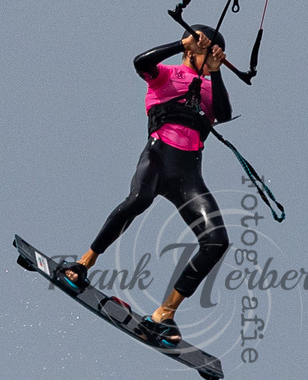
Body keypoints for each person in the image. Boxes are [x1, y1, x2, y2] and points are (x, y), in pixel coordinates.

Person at [59, 27, 232, 345]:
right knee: (140, 199)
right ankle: (83, 263)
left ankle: (164, 314)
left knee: (217, 241)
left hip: (188, 175)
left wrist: (218, 73)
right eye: (209, 50)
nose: (213, 56)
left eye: (218, 53)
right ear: (191, 50)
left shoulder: (210, 90)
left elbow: (224, 113)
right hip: (158, 157)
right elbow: (141, 62)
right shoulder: (167, 74)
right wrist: (183, 42)